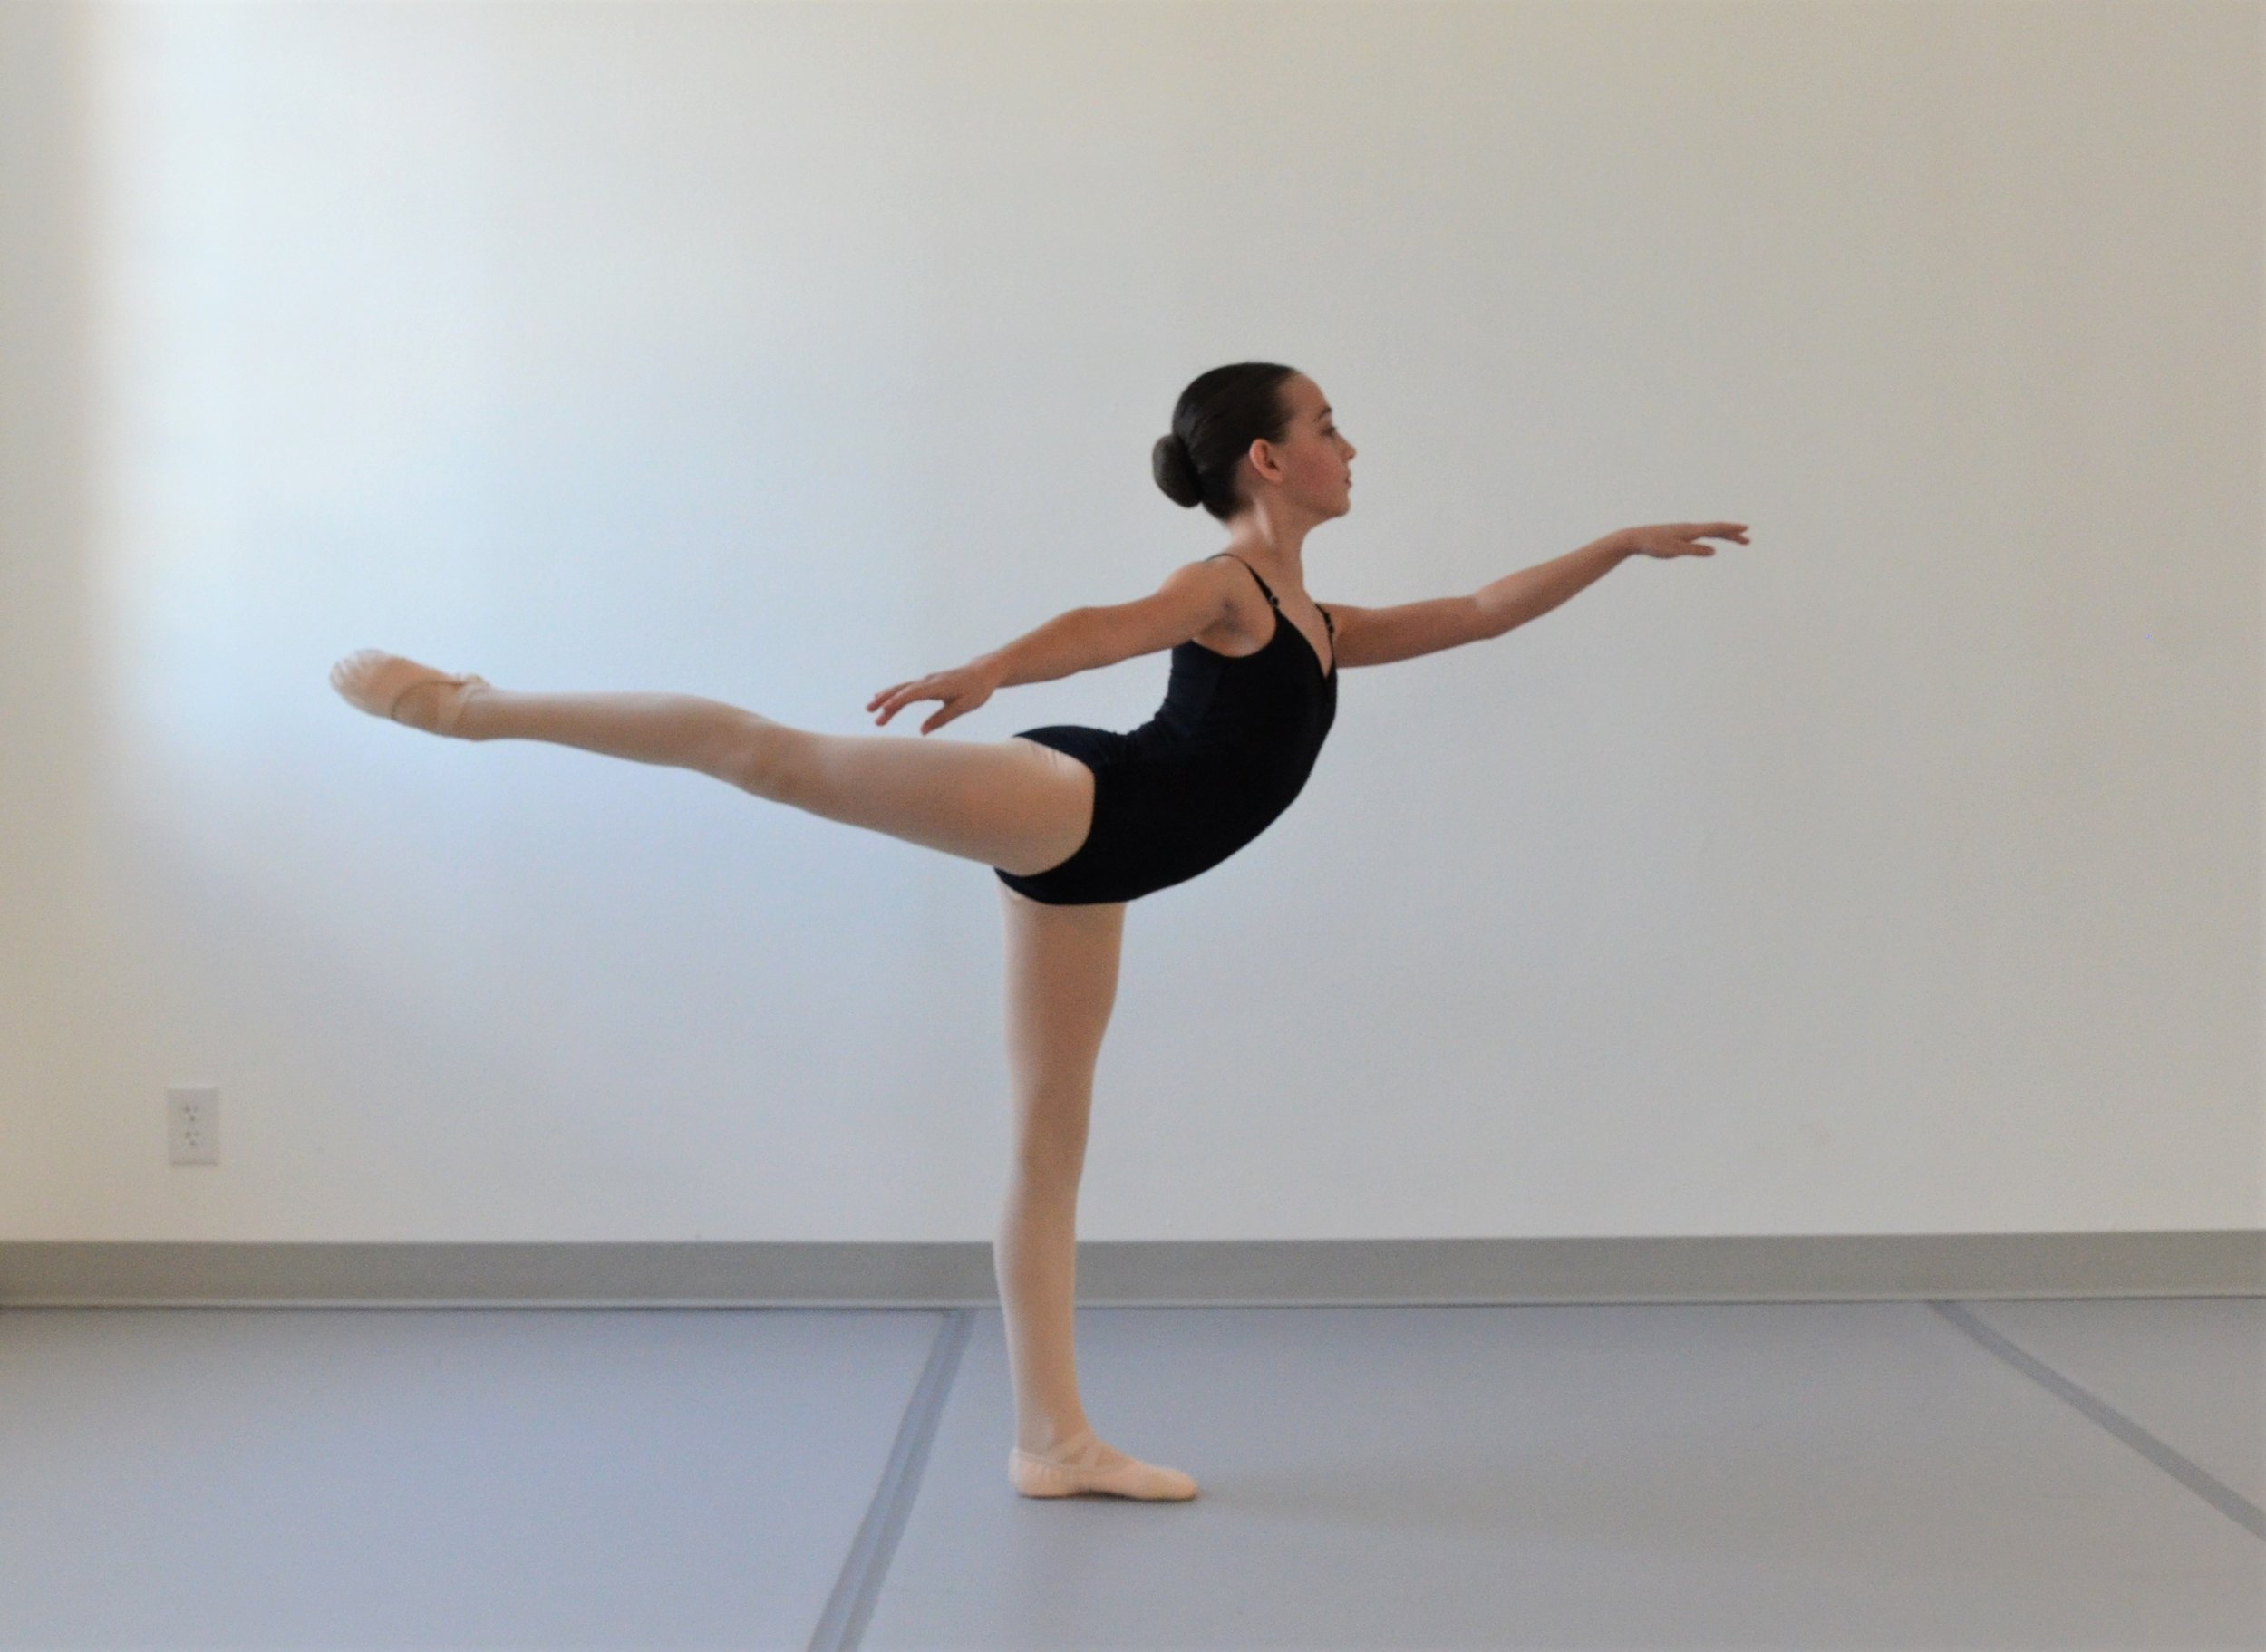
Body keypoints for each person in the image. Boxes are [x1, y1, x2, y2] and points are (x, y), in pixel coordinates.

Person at [330, 361, 1748, 1502]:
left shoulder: (1323, 621)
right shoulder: (1232, 587)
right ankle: (470, 708)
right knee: (770, 756)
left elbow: (1483, 611)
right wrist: (991, 670)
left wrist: (1617, 545)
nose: (1350, 444)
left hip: (1101, 866)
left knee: (1049, 1134)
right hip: (1079, 801)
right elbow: (1108, 623)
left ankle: (1051, 1443)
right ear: (1268, 460)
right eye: (1329, 424)